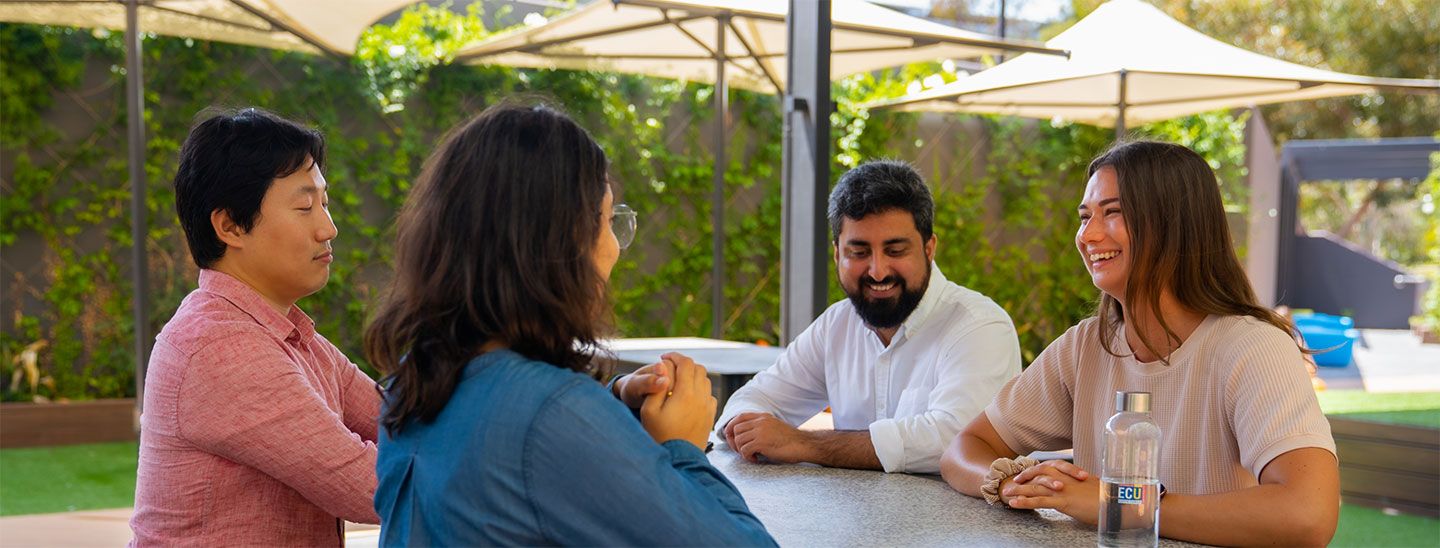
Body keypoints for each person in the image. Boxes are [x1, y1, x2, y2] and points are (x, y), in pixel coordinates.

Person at [365, 102, 775, 546]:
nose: (616, 248)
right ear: (560, 244)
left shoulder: (414, 379)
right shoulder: (553, 414)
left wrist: (613, 404)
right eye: (607, 221)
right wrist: (683, 448)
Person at [940, 141, 1338, 546]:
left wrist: (1117, 504)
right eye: (1085, 216)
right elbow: (964, 448)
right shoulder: (1084, 347)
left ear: (1173, 223)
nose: (1088, 235)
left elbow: (1308, 516)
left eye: (1113, 212)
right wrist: (1009, 485)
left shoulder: (1252, 348)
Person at [131, 108, 381, 545]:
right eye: (304, 207)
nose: (328, 228)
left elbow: (399, 418)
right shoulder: (219, 345)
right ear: (230, 226)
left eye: (325, 203)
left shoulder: (292, 336)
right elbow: (372, 488)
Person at [715, 160, 1022, 473]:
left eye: (895, 250)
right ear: (837, 254)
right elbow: (755, 397)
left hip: (960, 523)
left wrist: (804, 443)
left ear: (929, 248)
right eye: (859, 252)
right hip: (851, 519)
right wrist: (744, 426)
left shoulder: (980, 326)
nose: (878, 271)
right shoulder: (836, 325)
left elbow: (956, 441)